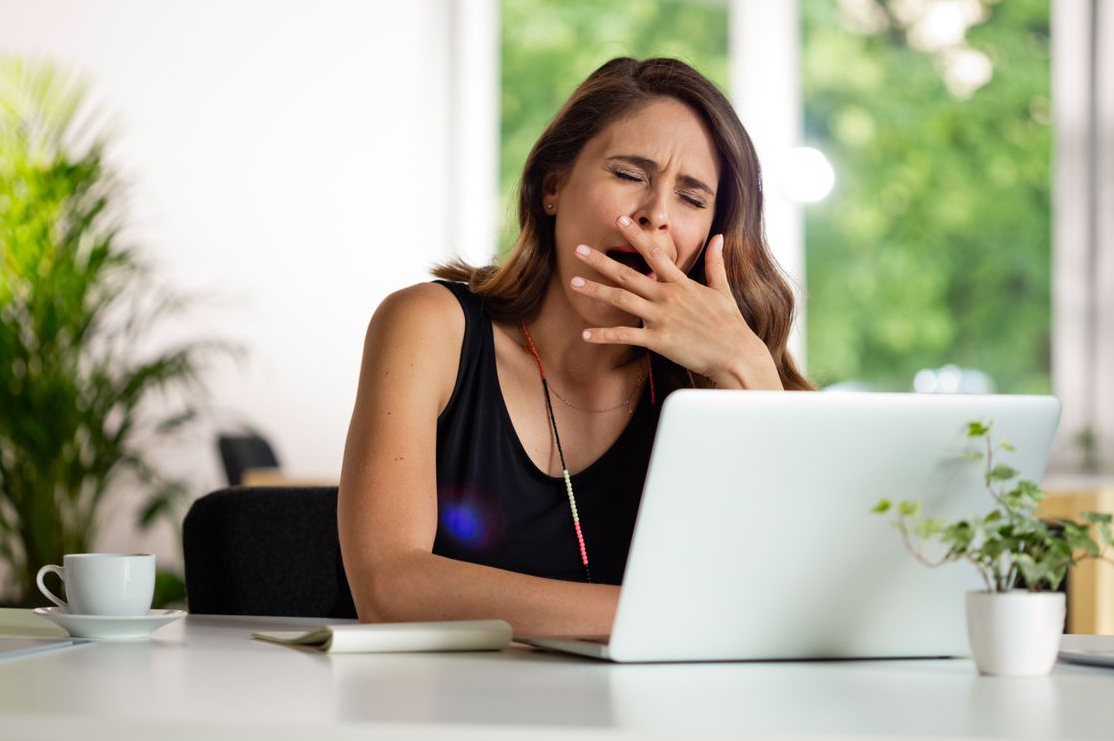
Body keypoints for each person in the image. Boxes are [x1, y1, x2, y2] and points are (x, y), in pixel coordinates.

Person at [338, 57, 813, 637]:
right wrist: (662, 616)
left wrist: (746, 367)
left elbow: (797, 598)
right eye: (629, 174)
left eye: (691, 197)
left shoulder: (724, 381)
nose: (655, 214)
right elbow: (388, 589)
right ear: (553, 187)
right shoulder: (428, 326)